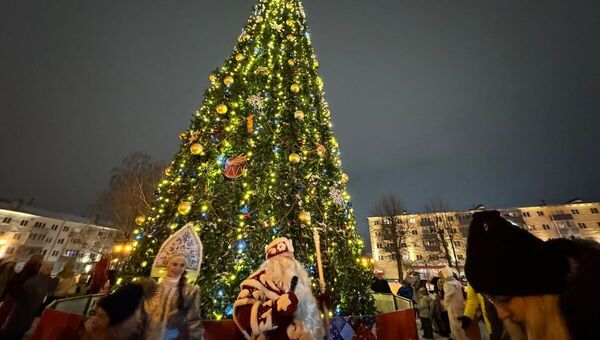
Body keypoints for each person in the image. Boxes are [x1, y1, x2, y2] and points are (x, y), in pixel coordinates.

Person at [465, 210, 600, 340]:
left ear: (536, 287)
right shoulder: (533, 326)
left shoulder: (587, 319)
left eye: (504, 300)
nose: (501, 314)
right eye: (492, 301)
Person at [233, 237, 323, 339]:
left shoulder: (297, 282)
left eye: (291, 259)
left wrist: (319, 303)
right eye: (285, 259)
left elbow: (304, 313)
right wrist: (276, 311)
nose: (291, 264)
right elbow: (244, 317)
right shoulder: (257, 282)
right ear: (274, 264)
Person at [143, 254, 204, 339]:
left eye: (182, 265)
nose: (178, 268)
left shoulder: (190, 291)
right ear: (167, 265)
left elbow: (194, 321)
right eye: (174, 264)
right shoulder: (154, 288)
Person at [1, 262, 58, 339]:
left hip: (33, 306)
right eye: (45, 268)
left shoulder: (48, 280)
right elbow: (20, 290)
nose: (46, 270)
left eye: (49, 269)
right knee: (14, 326)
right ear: (40, 268)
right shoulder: (32, 278)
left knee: (23, 326)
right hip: (23, 306)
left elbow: (50, 291)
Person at [84, 281, 155, 340]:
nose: (95, 319)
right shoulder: (101, 330)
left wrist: (91, 336)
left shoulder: (115, 332)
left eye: (101, 316)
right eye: (95, 314)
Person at [0, 255, 43, 327]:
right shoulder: (32, 268)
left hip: (17, 293)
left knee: (9, 313)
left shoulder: (30, 269)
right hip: (16, 293)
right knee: (7, 312)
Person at [441, 266, 467, 340]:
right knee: (459, 323)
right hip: (460, 304)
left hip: (452, 307)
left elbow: (447, 297)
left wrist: (445, 305)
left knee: (455, 325)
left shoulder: (448, 284)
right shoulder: (457, 282)